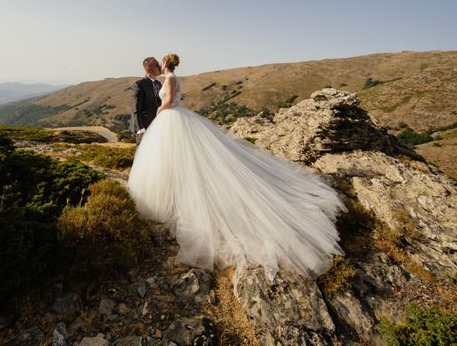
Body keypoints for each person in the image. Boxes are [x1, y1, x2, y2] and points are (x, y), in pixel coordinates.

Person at [126, 53, 348, 282]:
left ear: (164, 64)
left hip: (170, 118)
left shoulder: (170, 79)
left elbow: (170, 101)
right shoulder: (169, 77)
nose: (159, 66)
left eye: (160, 63)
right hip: (175, 119)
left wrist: (160, 113)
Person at [130, 57, 163, 144]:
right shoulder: (139, 85)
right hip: (144, 127)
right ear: (149, 69)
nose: (160, 66)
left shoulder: (159, 84)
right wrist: (141, 129)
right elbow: (136, 109)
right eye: (157, 65)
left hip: (156, 125)